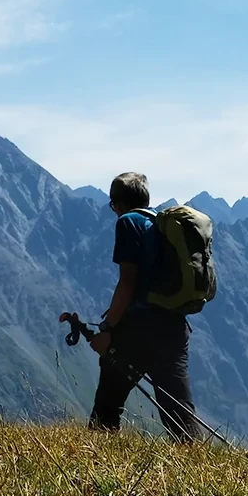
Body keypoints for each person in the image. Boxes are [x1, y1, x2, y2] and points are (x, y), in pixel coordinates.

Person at [88, 172, 200, 442]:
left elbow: (127, 284)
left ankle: (98, 465)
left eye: (112, 204)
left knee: (107, 405)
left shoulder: (128, 222)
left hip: (138, 328)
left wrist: (107, 329)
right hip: (174, 325)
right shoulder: (162, 225)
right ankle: (196, 462)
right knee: (179, 410)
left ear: (118, 202)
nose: (113, 210)